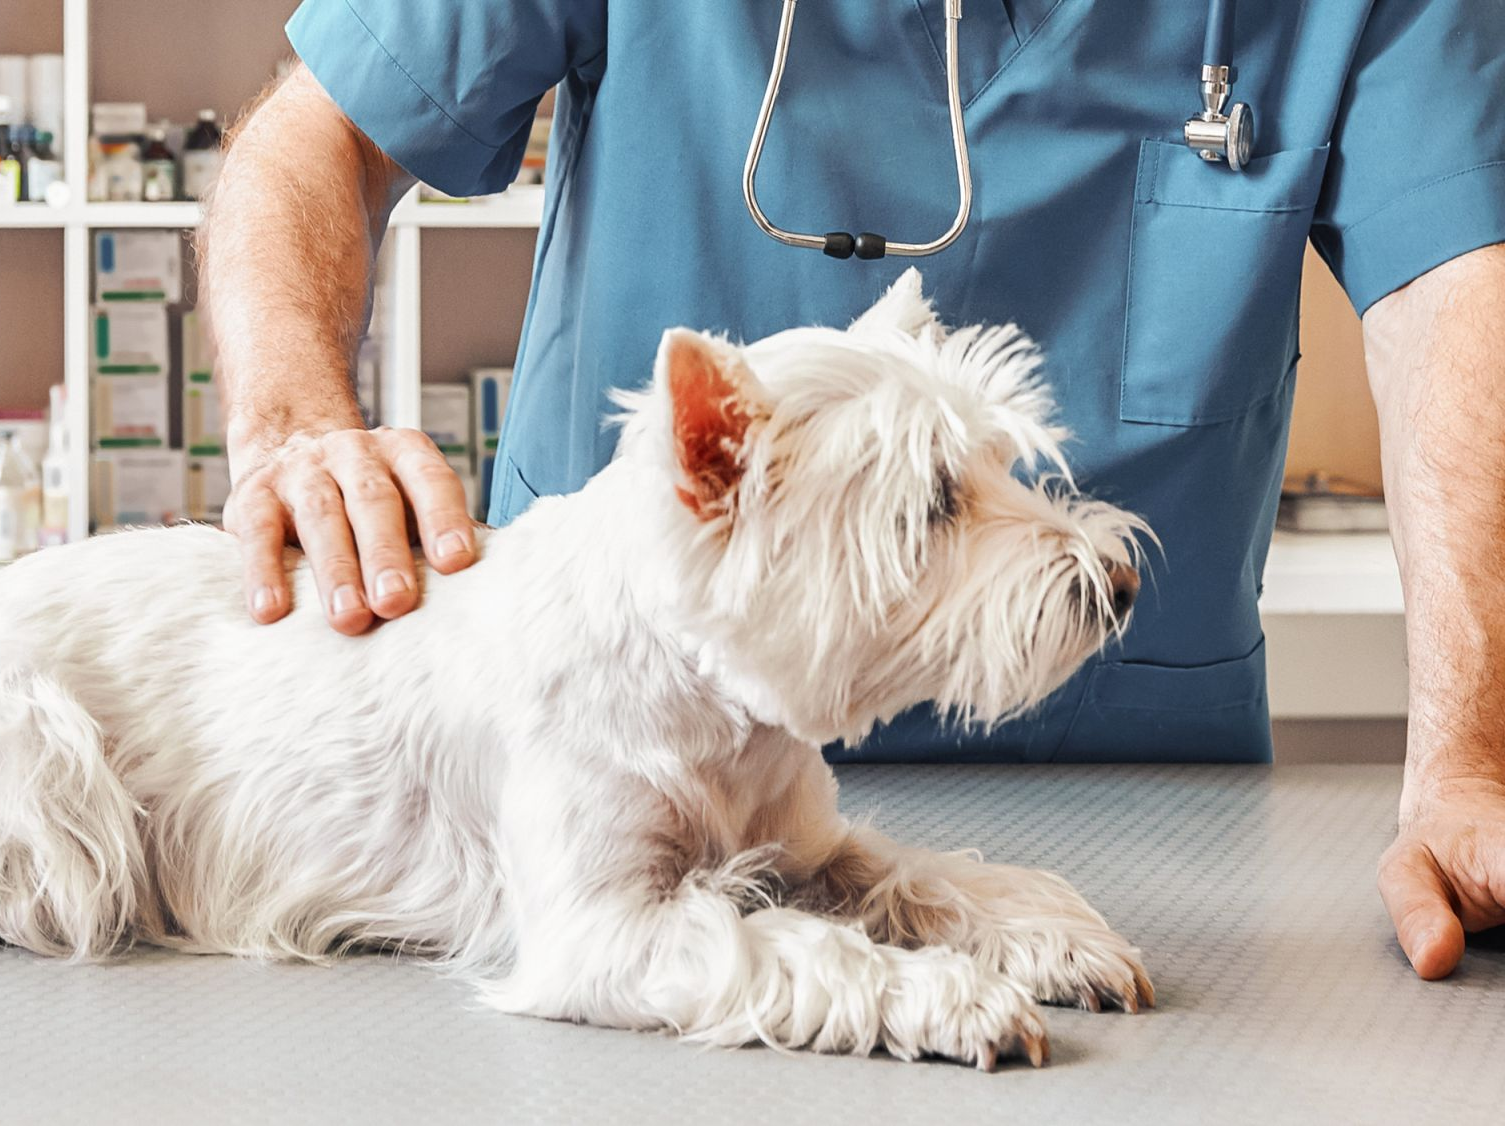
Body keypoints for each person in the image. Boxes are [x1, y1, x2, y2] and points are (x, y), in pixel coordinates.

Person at [198, 2, 1505, 980]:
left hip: (1133, 795)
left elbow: (1464, 289)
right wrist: (292, 417)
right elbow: (319, 137)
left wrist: (1475, 757)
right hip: (624, 748)